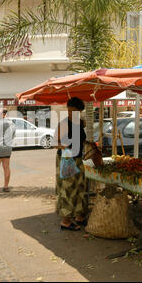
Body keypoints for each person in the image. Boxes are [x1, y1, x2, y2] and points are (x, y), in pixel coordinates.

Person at [55, 97, 88, 231]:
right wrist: (65, 147)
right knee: (67, 189)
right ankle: (66, 221)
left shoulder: (80, 123)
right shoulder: (63, 124)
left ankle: (79, 216)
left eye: (75, 111)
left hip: (79, 158)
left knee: (80, 188)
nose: (71, 113)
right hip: (66, 159)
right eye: (69, 110)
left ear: (80, 111)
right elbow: (55, 143)